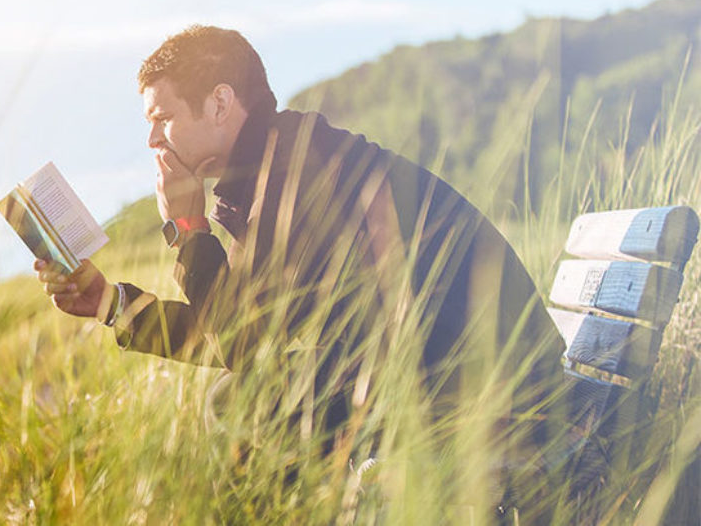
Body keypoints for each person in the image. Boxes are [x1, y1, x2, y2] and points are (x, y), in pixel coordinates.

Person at [35, 25, 566, 512]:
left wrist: (190, 227)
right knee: (247, 398)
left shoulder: (298, 173)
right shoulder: (272, 168)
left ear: (220, 102)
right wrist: (109, 302)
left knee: (241, 404)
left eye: (162, 119)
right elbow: (242, 333)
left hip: (496, 401)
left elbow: (238, 343)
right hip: (448, 380)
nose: (153, 141)